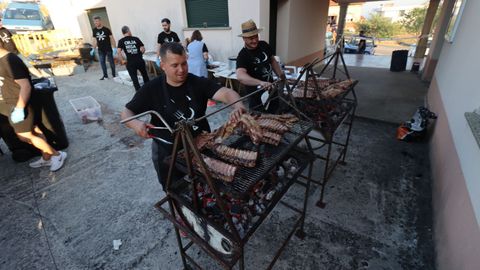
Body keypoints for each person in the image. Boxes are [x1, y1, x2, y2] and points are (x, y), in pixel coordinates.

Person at [121, 42, 246, 190]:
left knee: (206, 185)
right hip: (168, 152)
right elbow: (126, 113)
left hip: (200, 145)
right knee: (175, 189)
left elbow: (227, 93)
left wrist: (238, 105)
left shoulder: (197, 82)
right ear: (163, 65)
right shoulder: (151, 89)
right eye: (175, 65)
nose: (181, 70)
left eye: (184, 63)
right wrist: (136, 125)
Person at [0, 39, 67, 171]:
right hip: (11, 102)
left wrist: (19, 108)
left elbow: (25, 86)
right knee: (35, 131)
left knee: (24, 136)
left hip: (19, 103)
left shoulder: (10, 60)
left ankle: (57, 155)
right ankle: (46, 157)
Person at [236, 19, 285, 113]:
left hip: (272, 91)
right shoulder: (242, 55)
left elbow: (272, 60)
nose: (255, 41)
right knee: (261, 123)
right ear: (244, 39)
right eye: (251, 38)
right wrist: (260, 82)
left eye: (256, 37)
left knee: (276, 116)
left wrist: (280, 74)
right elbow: (240, 76)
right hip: (257, 99)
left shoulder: (264, 45)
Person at [117, 26, 150, 91]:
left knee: (134, 79)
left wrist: (122, 60)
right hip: (139, 60)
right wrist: (139, 54)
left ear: (123, 33)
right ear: (128, 31)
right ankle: (149, 89)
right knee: (145, 75)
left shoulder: (121, 41)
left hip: (130, 62)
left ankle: (139, 93)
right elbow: (143, 49)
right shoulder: (136, 38)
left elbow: (118, 52)